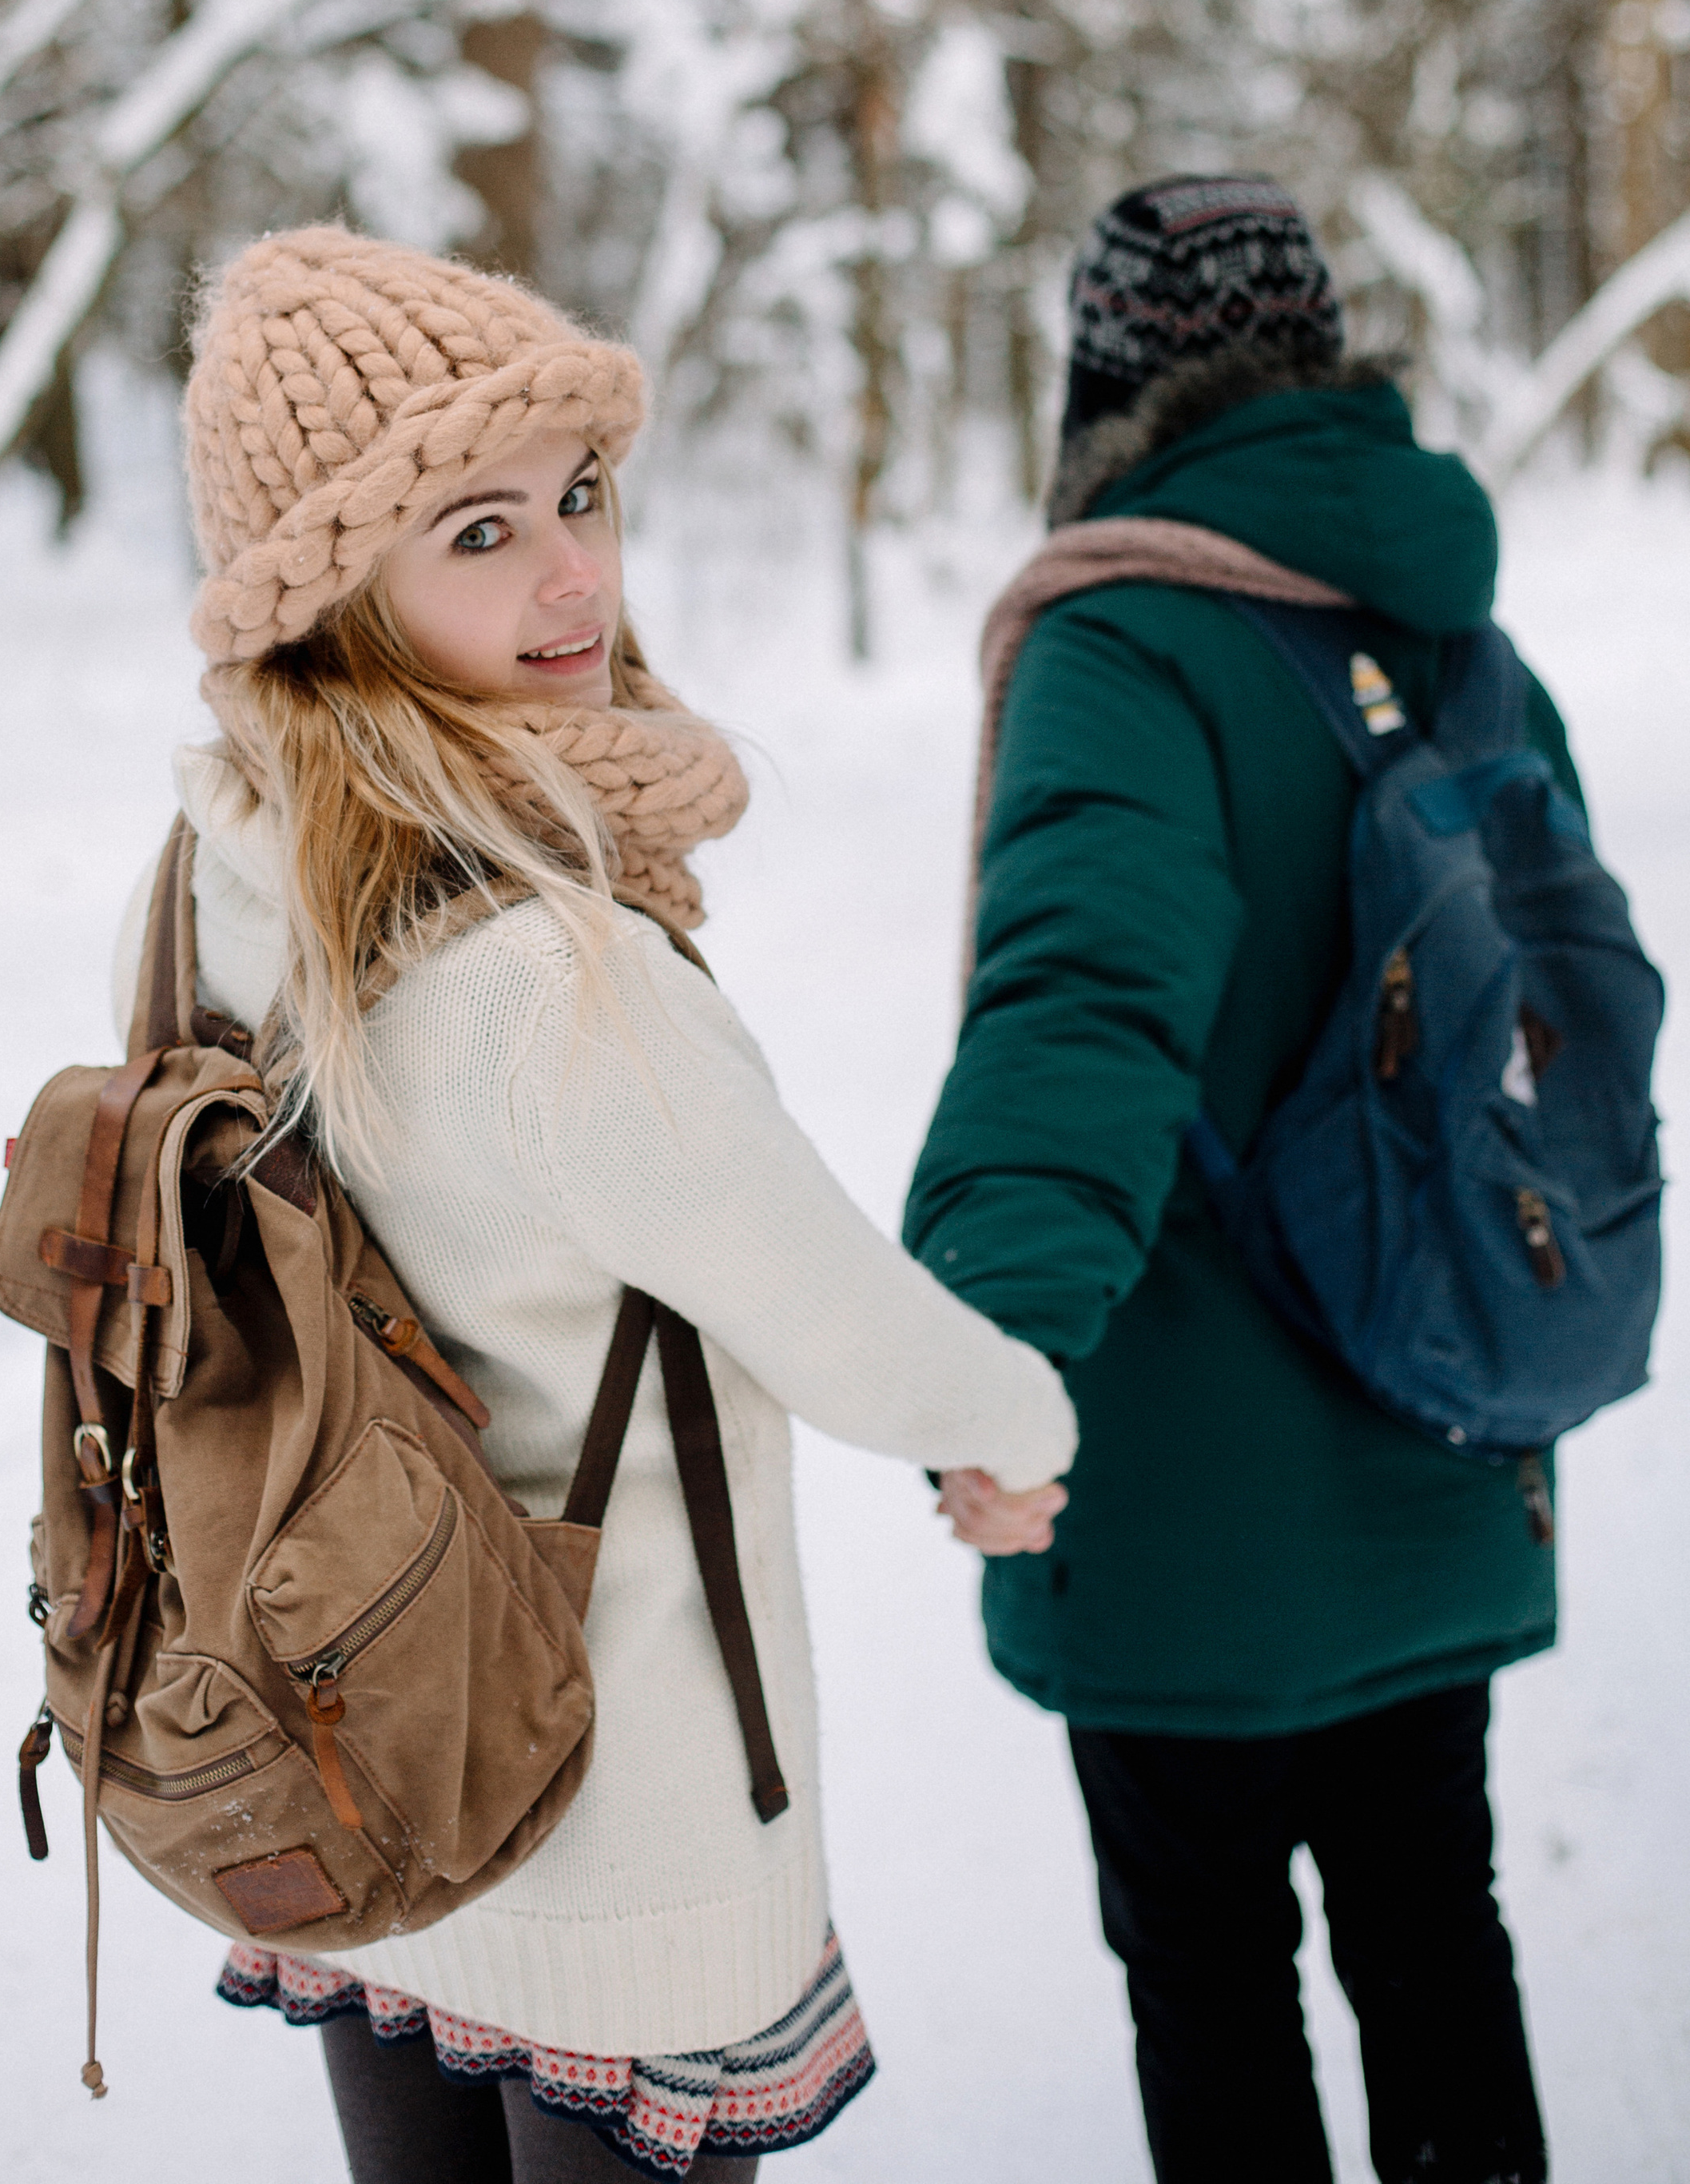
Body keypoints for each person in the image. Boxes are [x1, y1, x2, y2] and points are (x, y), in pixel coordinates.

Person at [117, 223, 1077, 2183]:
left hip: (354, 1742)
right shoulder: (550, 971)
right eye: (475, 531)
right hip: (599, 1791)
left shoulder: (222, 875)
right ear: (325, 590)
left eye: (577, 495)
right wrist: (1018, 1427)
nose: (573, 571)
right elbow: (831, 1313)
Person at [905, 177, 1568, 2184]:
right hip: (1440, 1410)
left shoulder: (1126, 642)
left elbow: (1079, 1008)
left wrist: (986, 1351)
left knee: (1209, 1973)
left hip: (1188, 1477)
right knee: (1433, 1934)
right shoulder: (1449, 627)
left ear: (1104, 384)